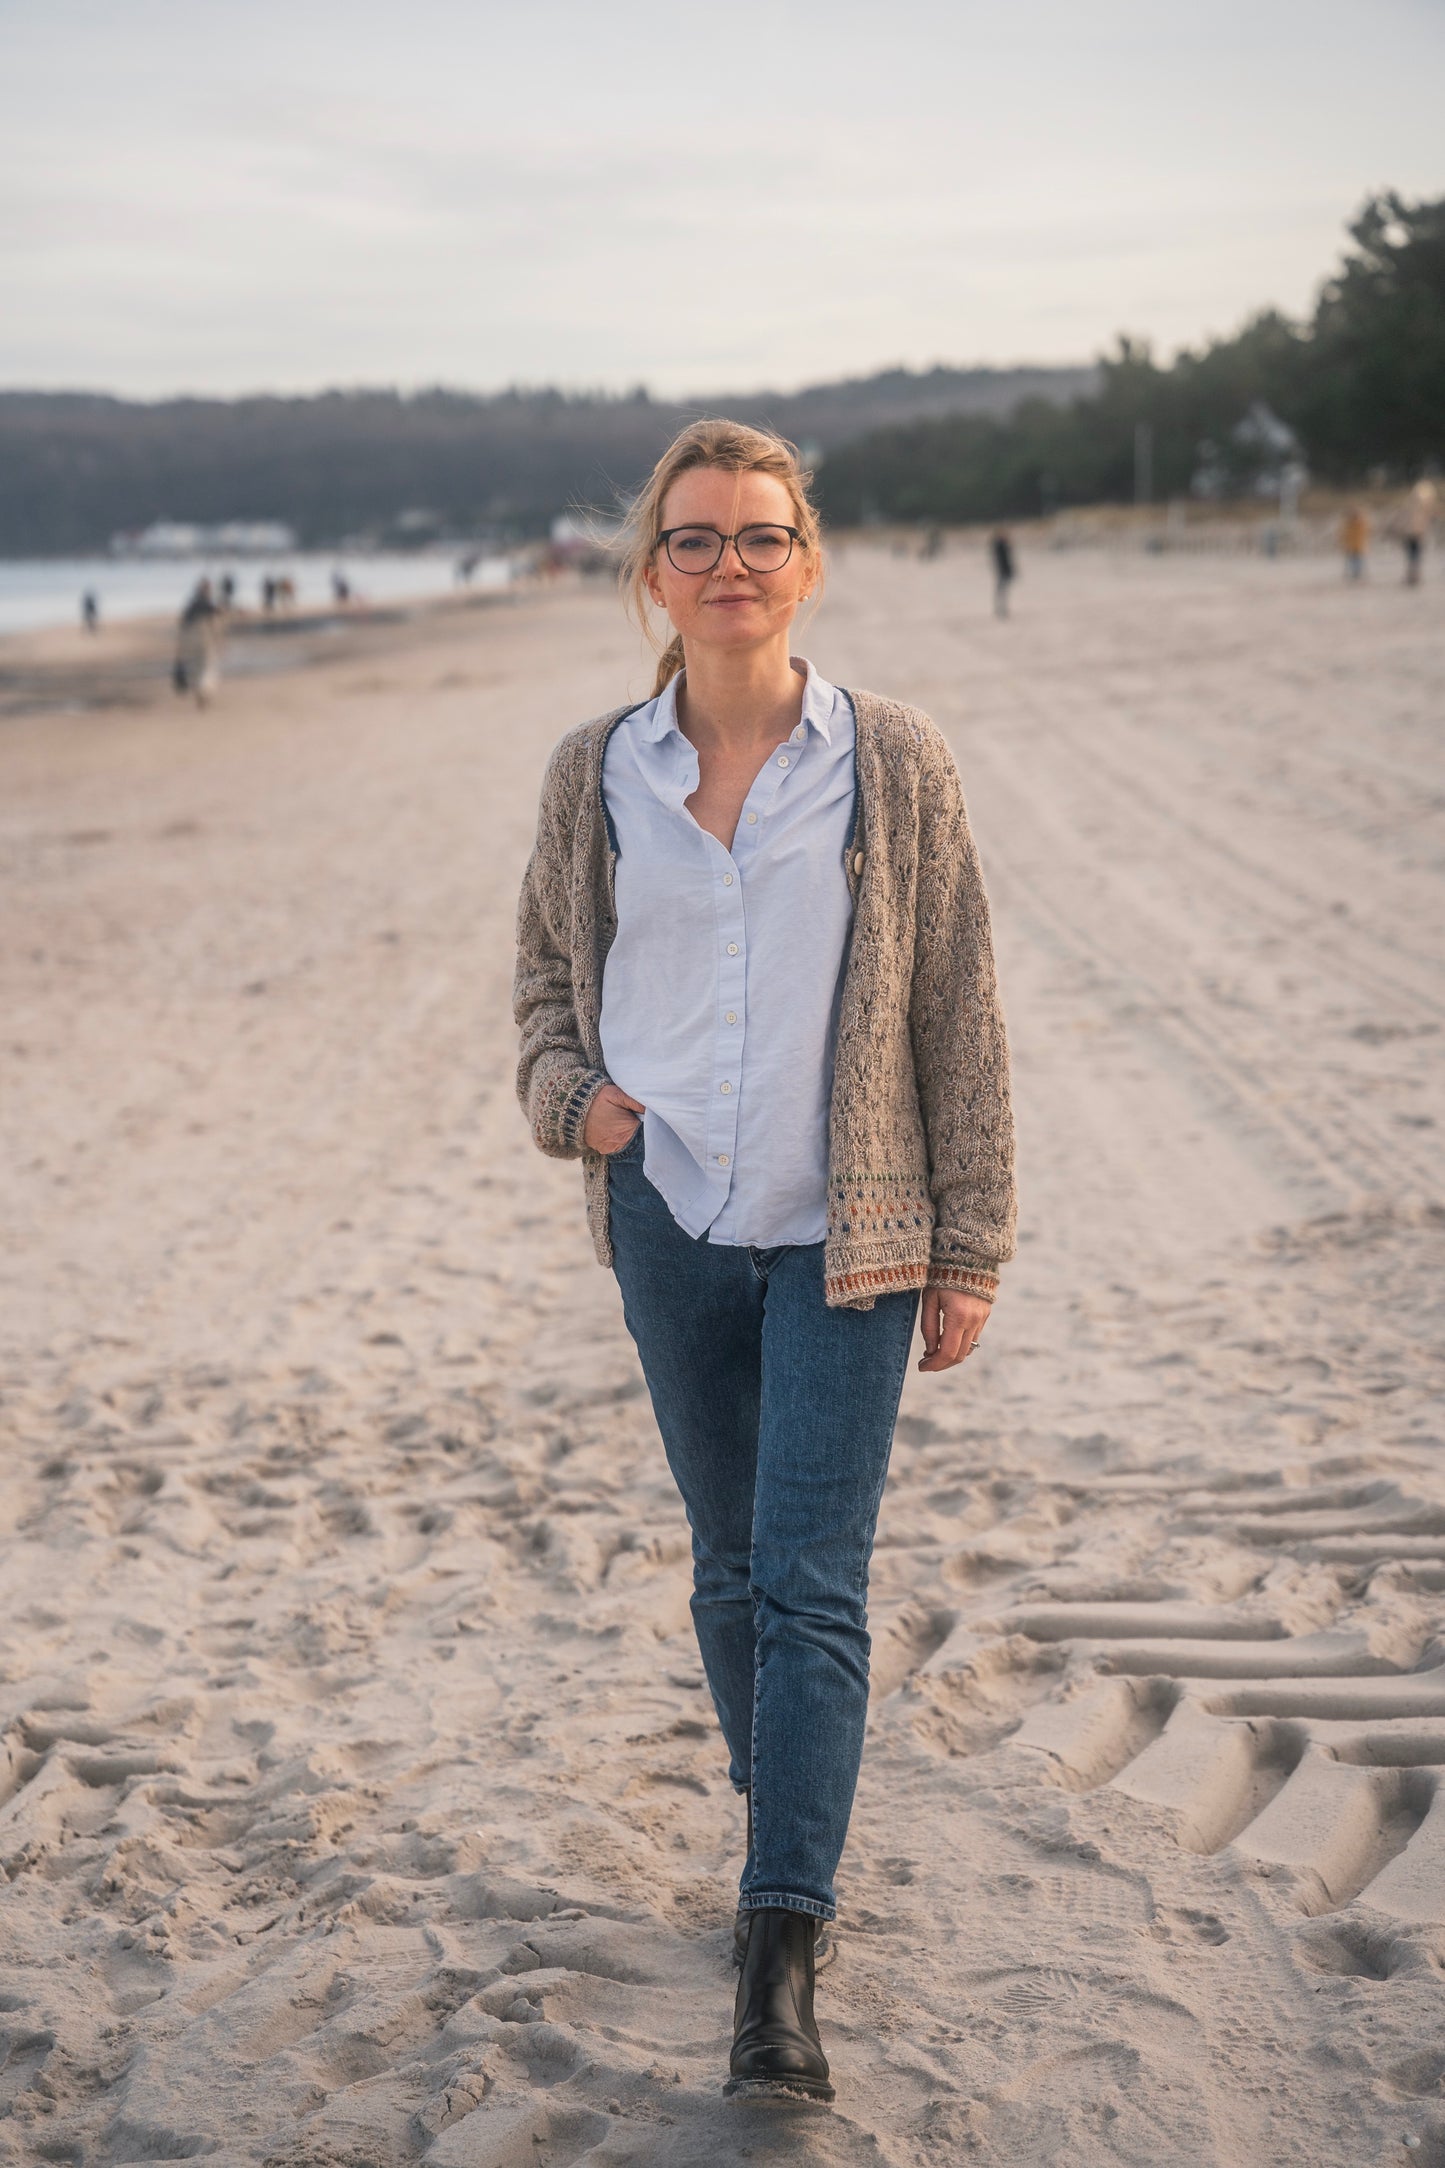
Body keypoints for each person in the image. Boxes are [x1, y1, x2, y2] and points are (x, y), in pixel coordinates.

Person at [513, 420, 1016, 2103]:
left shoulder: (898, 764)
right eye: (698, 537)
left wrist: (974, 1241)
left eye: (763, 534)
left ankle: (778, 1945)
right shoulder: (598, 770)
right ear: (652, 570)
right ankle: (782, 1804)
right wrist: (573, 1101)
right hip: (665, 1220)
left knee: (809, 1580)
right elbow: (537, 977)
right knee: (727, 1572)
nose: (731, 562)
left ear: (812, 557)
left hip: (846, 1233)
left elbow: (956, 1006)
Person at [173, 578, 222, 706]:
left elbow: (183, 624)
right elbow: (216, 619)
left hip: (189, 639)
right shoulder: (206, 603)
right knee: (205, 666)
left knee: (196, 666)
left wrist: (180, 647)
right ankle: (203, 689)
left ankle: (200, 688)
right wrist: (218, 640)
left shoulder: (191, 604)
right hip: (203, 639)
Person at [1399, 479, 1438, 587]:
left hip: (1413, 533)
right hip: (1415, 533)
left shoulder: (1411, 504)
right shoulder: (1423, 505)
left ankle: (1413, 575)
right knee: (1414, 555)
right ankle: (1414, 576)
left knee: (1413, 555)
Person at [1339, 505, 1370, 581]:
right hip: (1351, 545)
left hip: (1357, 544)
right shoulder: (1349, 524)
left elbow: (1364, 532)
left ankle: (1357, 573)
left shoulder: (1359, 523)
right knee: (1352, 560)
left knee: (1357, 560)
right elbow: (1344, 534)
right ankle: (1355, 573)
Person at [990, 527, 1016, 617]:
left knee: (1002, 591)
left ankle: (1001, 609)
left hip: (1003, 571)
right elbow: (1003, 561)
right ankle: (1000, 609)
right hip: (1002, 572)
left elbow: (1009, 560)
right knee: (1001, 591)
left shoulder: (1001, 545)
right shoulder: (999, 546)